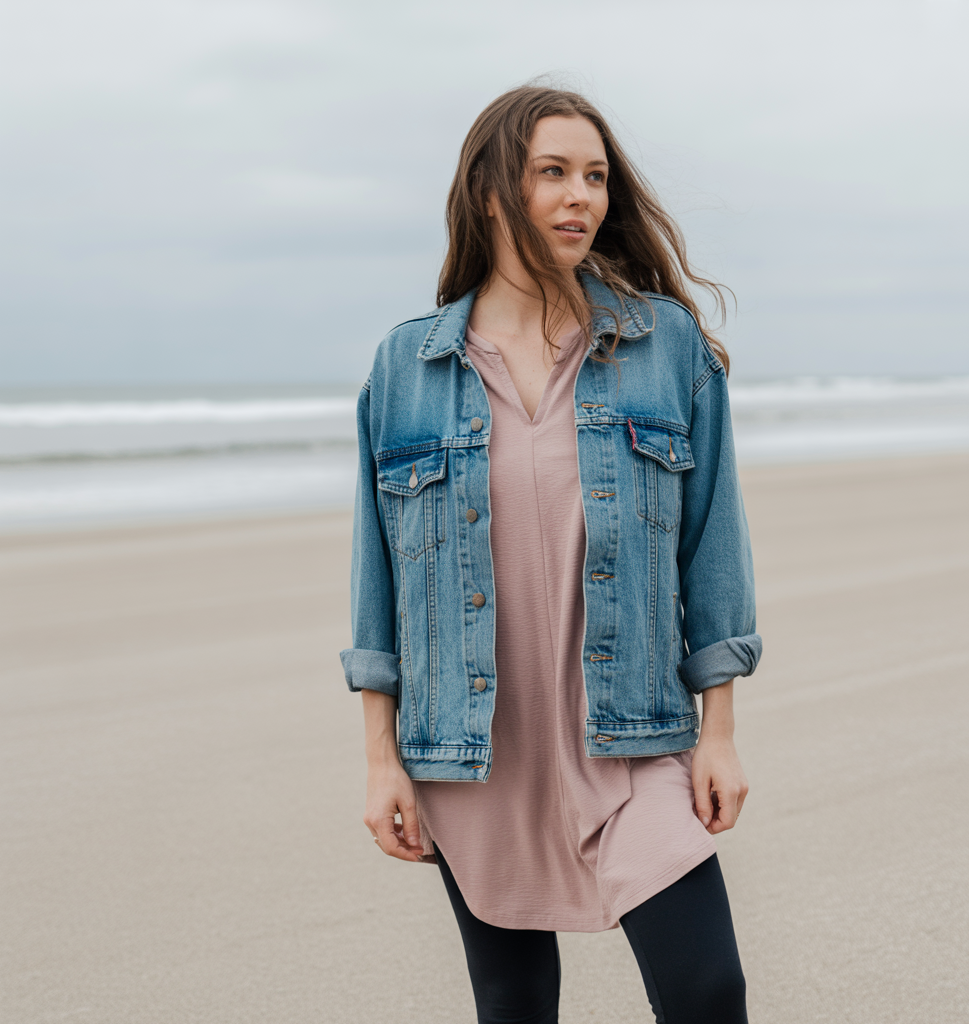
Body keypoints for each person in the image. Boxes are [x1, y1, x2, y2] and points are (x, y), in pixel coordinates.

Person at [341, 84, 761, 1024]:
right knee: (515, 1001)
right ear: (493, 193)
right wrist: (380, 761)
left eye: (596, 177)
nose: (582, 197)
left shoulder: (663, 345)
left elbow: (714, 547)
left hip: (634, 734)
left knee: (707, 989)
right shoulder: (407, 368)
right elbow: (379, 581)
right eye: (554, 173)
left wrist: (720, 731)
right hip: (472, 749)